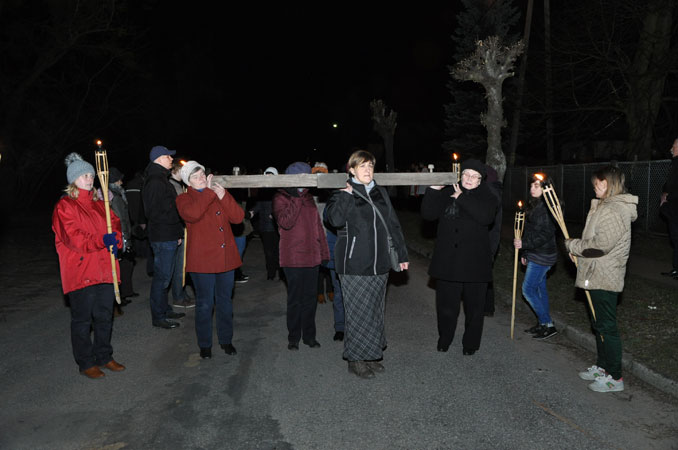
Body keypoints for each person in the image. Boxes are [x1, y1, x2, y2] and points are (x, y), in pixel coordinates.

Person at [325, 150, 409, 379]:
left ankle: (371, 355)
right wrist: (345, 196)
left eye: (370, 165)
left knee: (374, 312)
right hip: (354, 264)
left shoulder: (380, 192)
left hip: (380, 263)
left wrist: (402, 255)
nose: (367, 170)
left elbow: (392, 224)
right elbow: (334, 220)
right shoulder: (341, 193)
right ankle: (356, 360)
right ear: (351, 170)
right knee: (357, 313)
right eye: (362, 166)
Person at [565, 165, 638, 393]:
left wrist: (573, 246)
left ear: (609, 184)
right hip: (596, 272)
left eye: (598, 183)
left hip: (605, 275)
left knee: (607, 326)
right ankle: (603, 367)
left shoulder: (615, 210)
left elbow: (600, 246)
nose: (595, 187)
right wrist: (579, 251)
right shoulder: (605, 206)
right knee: (599, 324)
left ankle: (615, 377)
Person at [52, 152, 125, 379]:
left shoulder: (99, 205)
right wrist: (101, 240)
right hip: (81, 271)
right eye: (84, 175)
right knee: (83, 320)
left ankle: (104, 355)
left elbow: (115, 225)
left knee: (104, 316)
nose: (90, 178)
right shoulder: (65, 206)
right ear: (73, 179)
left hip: (104, 269)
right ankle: (85, 362)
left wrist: (117, 240)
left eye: (91, 175)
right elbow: (74, 237)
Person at [421, 158, 498, 356]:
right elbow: (428, 214)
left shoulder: (488, 197)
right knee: (446, 306)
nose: (469, 178)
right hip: (449, 261)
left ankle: (470, 343)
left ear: (481, 180)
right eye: (466, 174)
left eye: (475, 176)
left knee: (474, 308)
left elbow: (485, 217)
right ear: (460, 175)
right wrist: (433, 190)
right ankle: (444, 339)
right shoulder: (447, 192)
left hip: (475, 263)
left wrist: (461, 198)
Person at [176, 161, 245, 359]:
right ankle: (205, 344)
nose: (200, 179)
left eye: (202, 175)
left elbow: (238, 218)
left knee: (225, 302)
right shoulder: (183, 199)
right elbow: (193, 214)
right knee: (205, 304)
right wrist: (208, 192)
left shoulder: (217, 193)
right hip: (202, 261)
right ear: (188, 182)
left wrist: (224, 196)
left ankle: (226, 340)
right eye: (195, 177)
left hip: (225, 259)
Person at [273, 161, 330, 351]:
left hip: (312, 257)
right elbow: (286, 222)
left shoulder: (309, 197)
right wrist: (296, 197)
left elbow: (318, 227)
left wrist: (324, 252)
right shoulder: (281, 197)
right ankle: (294, 337)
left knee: (310, 300)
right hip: (293, 258)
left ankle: (309, 336)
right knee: (295, 299)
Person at [142, 145, 186, 329]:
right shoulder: (155, 181)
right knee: (162, 278)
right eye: (168, 157)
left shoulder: (161, 178)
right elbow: (154, 213)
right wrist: (175, 221)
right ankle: (158, 316)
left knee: (165, 276)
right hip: (162, 236)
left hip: (168, 234)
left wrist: (176, 232)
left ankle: (164, 309)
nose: (171, 159)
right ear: (159, 159)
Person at [514, 174, 558, 339]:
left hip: (543, 255)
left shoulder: (548, 208)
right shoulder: (535, 204)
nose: (532, 189)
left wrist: (524, 245)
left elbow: (544, 234)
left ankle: (548, 323)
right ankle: (543, 324)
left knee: (528, 290)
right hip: (534, 253)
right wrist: (525, 252)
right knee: (540, 289)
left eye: (537, 186)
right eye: (532, 186)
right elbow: (529, 231)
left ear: (546, 188)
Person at [108, 167, 137, 306]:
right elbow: (120, 219)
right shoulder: (115, 197)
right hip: (121, 235)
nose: (121, 182)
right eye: (119, 179)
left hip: (122, 234)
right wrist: (125, 238)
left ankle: (126, 291)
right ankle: (120, 295)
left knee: (127, 264)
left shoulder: (117, 194)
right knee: (122, 265)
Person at [169, 161, 195, 309]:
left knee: (182, 264)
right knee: (179, 265)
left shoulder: (178, 185)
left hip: (181, 229)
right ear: (176, 171)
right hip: (179, 230)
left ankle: (181, 293)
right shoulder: (173, 186)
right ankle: (178, 296)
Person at [249, 167, 281, 280]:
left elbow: (283, 205)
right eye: (266, 176)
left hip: (278, 225)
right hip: (265, 226)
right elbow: (259, 204)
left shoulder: (279, 190)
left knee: (278, 250)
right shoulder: (262, 190)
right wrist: (252, 212)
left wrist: (276, 214)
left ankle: (281, 273)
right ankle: (271, 273)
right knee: (268, 251)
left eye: (270, 176)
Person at [483, 164, 503, 317]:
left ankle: (486, 306)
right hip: (491, 238)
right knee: (486, 273)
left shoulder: (490, 192)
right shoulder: (494, 191)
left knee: (483, 273)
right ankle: (487, 307)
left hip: (488, 238)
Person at [660, 138, 678, 279]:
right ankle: (676, 268)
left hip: (675, 207)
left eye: (674, 146)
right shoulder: (675, 164)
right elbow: (670, 184)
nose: (671, 149)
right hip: (673, 207)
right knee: (675, 239)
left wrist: (668, 197)